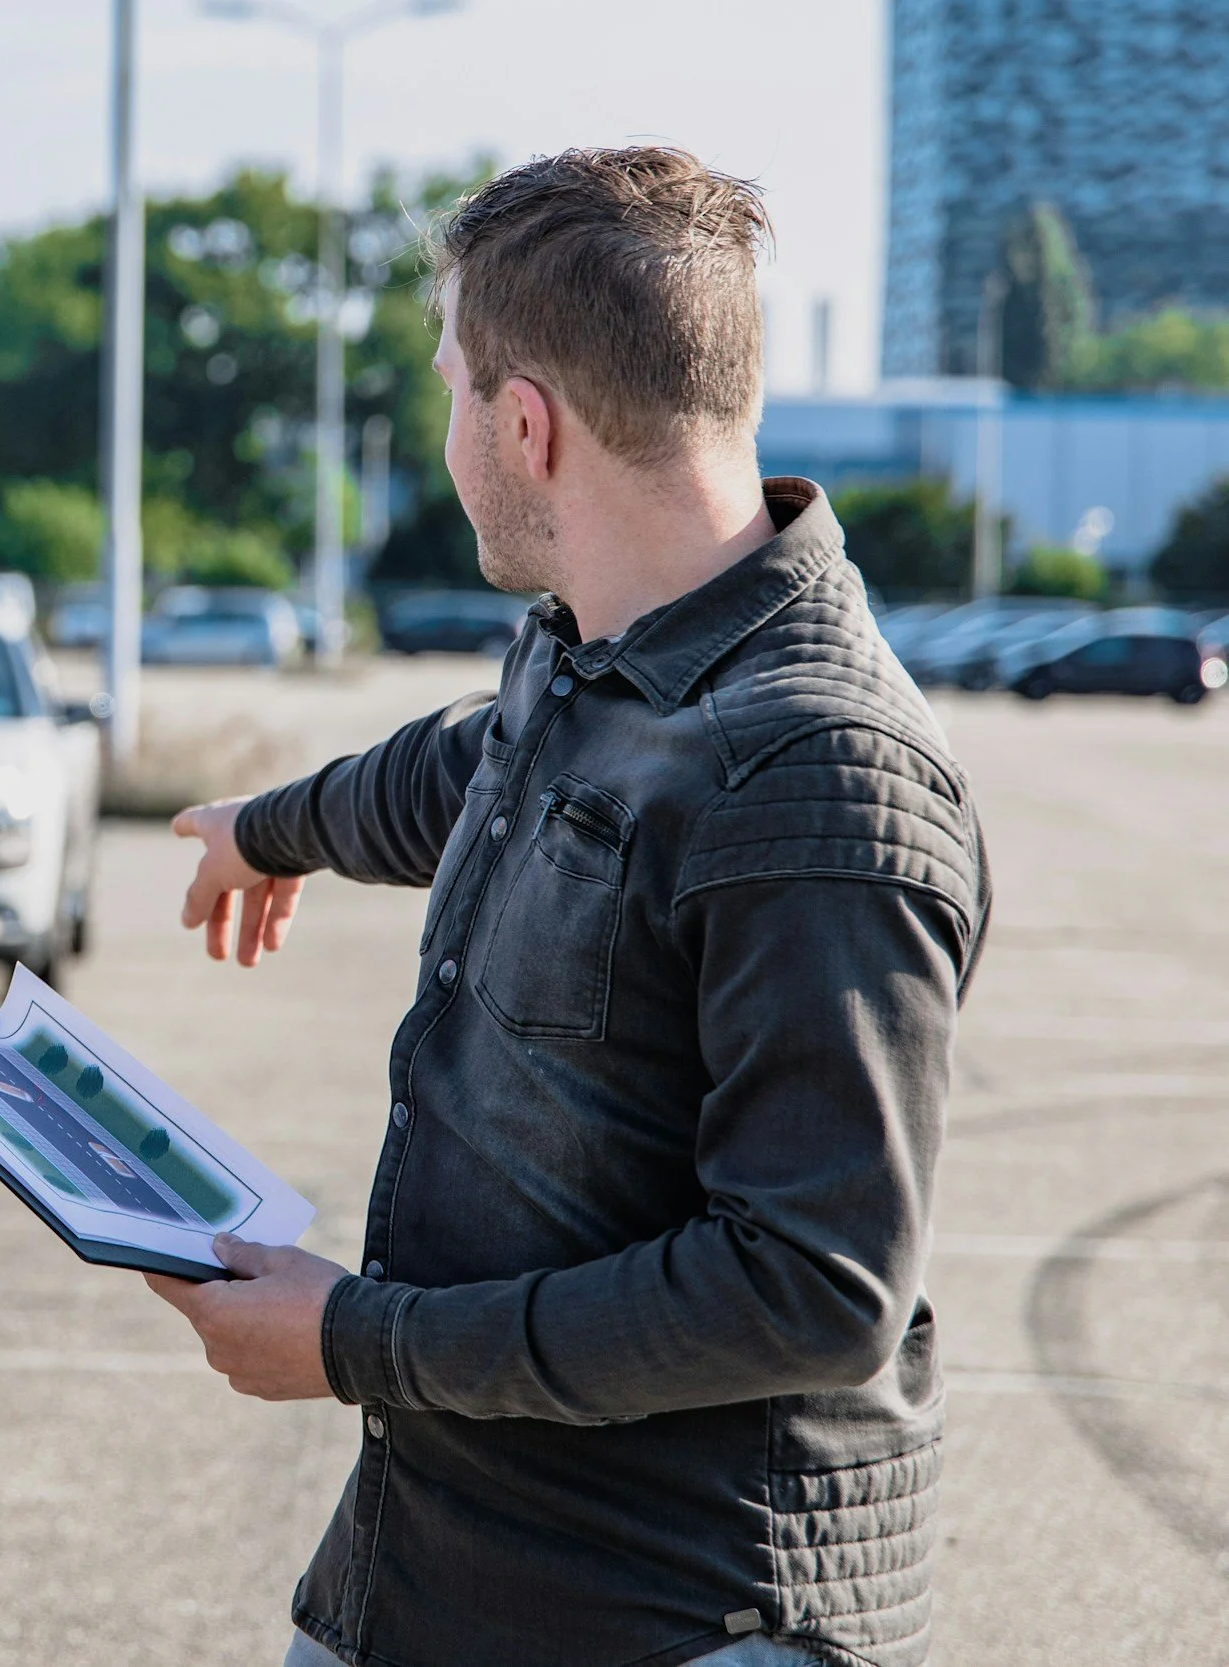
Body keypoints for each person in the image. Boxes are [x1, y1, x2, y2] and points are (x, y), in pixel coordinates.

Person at [153, 148, 987, 1667]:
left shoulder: (820, 778)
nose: (448, 422)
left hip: (674, 1614)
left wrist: (354, 1341)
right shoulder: (601, 653)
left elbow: (810, 1286)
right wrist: (273, 827)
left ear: (521, 424)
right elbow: (472, 765)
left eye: (451, 381)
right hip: (442, 1571)